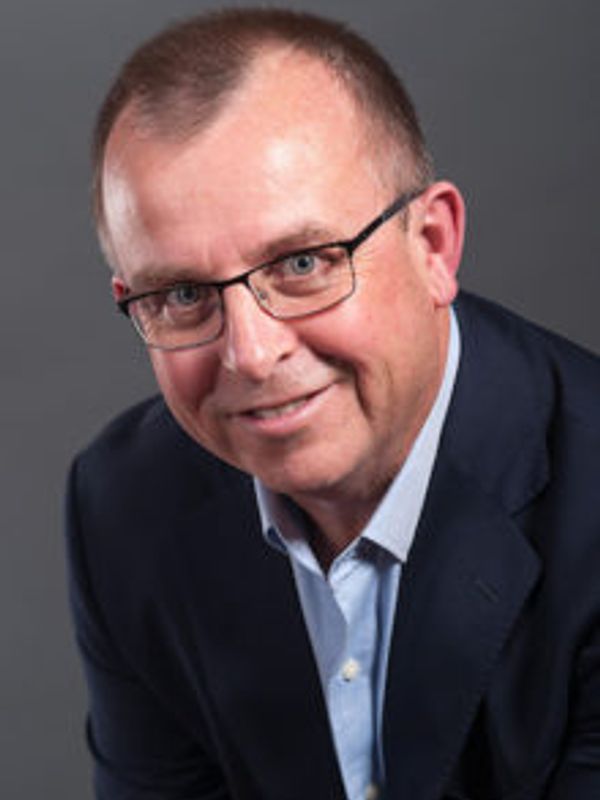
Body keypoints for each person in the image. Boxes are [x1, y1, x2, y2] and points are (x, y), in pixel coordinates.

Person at [66, 7, 600, 800]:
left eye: (303, 263)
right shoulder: (125, 504)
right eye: (181, 294)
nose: (251, 354)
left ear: (433, 246)